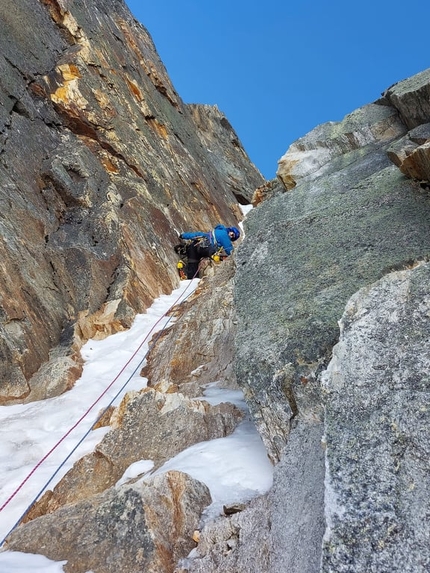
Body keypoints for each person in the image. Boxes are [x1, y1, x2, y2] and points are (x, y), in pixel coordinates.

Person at [175, 224, 241, 279]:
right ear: (230, 231)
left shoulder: (213, 232)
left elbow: (196, 234)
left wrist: (183, 236)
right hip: (205, 247)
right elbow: (230, 250)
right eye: (232, 234)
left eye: (233, 238)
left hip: (194, 246)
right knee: (210, 251)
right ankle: (214, 255)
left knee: (193, 271)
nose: (231, 237)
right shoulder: (224, 234)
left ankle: (183, 266)